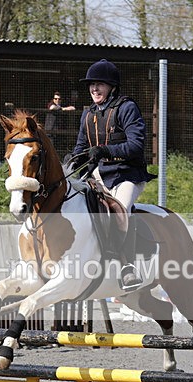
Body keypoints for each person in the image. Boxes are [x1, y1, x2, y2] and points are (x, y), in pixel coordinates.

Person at [72, 59, 155, 292]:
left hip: (127, 174)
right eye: (91, 85)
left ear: (111, 86)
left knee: (120, 209)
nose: (94, 89)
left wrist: (105, 150)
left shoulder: (127, 107)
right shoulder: (88, 114)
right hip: (98, 174)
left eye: (99, 84)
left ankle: (128, 267)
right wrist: (74, 159)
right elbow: (81, 147)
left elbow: (136, 145)